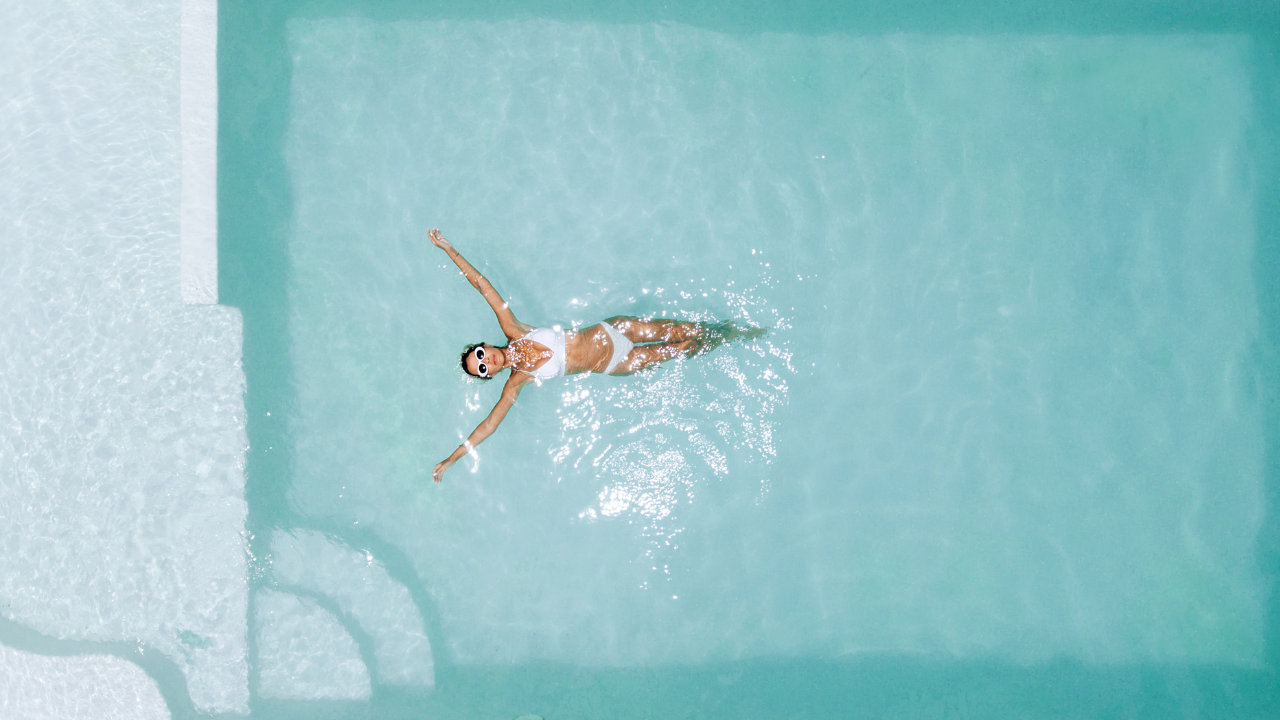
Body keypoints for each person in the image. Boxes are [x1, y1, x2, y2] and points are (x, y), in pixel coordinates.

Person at [429, 228, 764, 483]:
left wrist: (450, 250)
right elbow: (489, 425)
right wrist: (453, 458)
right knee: (682, 349)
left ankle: (733, 330)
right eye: (483, 369)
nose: (488, 361)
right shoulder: (517, 382)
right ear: (490, 374)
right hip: (615, 363)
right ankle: (733, 339)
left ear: (483, 345)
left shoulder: (514, 329)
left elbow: (483, 286)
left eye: (479, 355)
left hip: (616, 331)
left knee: (683, 330)